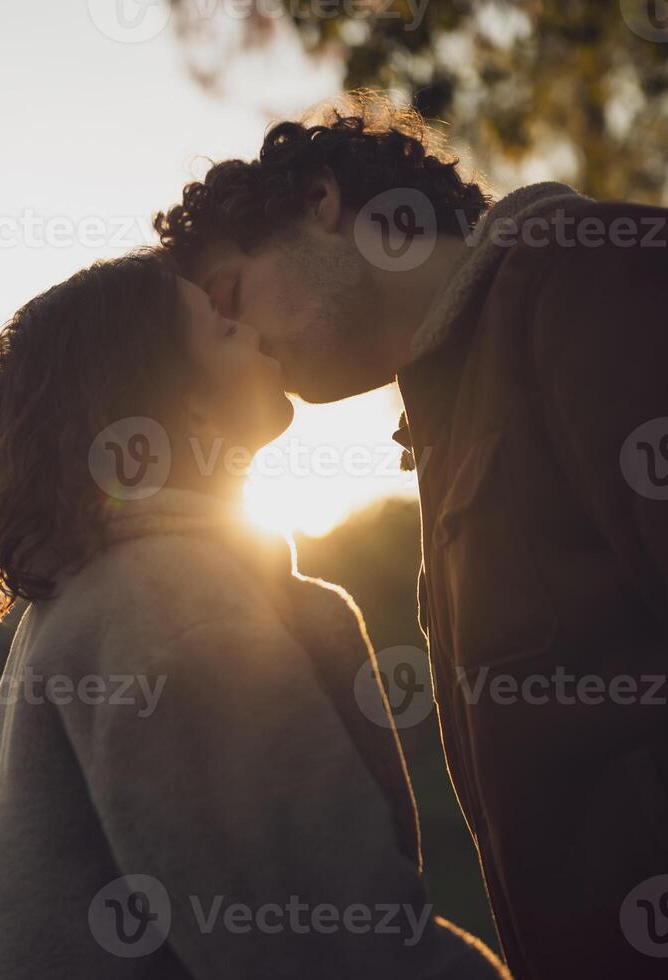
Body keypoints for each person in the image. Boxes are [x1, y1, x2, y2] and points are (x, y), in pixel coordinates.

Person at [154, 91, 668, 977]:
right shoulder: (445, 419)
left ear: (320, 202)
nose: (239, 341)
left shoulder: (594, 283)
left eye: (229, 294)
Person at [0, 248, 508, 978]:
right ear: (176, 400)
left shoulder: (96, 592)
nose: (250, 330)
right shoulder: (178, 608)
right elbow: (330, 948)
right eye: (222, 329)